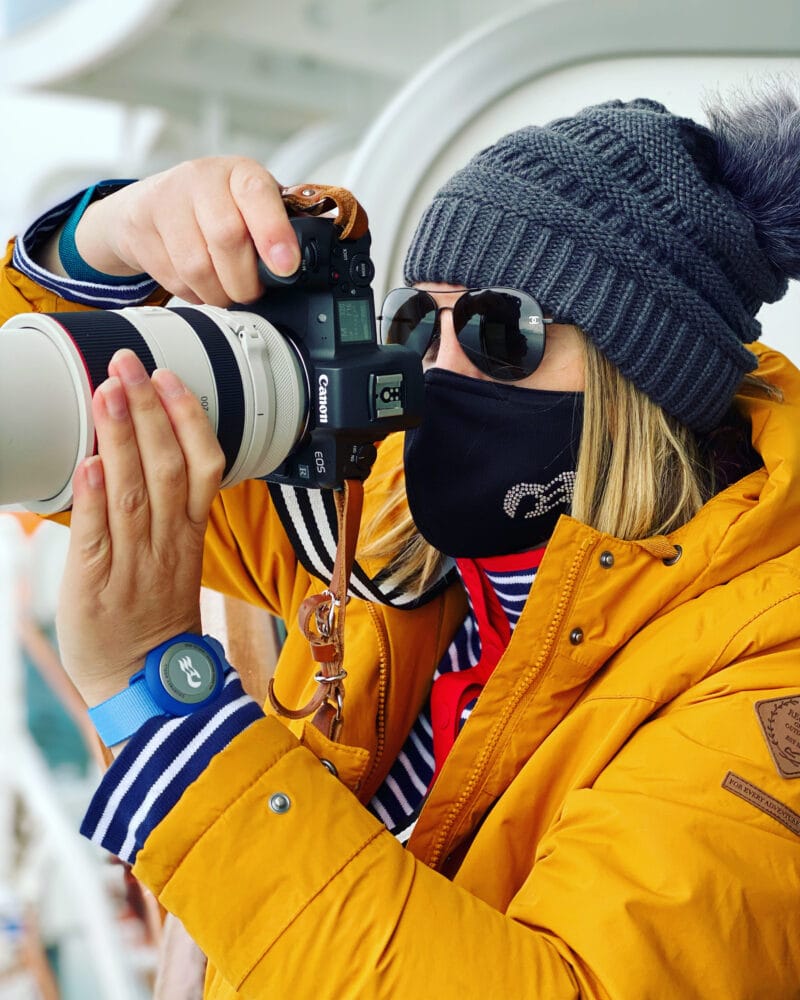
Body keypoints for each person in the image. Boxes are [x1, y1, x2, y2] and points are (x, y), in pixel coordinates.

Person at [2, 91, 800, 998]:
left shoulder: (769, 670)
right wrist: (101, 242)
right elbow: (29, 412)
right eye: (419, 322)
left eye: (503, 332)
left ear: (648, 378)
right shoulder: (377, 527)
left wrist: (164, 705)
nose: (436, 371)